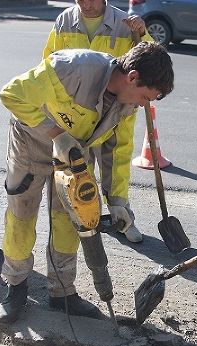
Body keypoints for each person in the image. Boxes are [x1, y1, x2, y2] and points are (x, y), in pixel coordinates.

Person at [0, 42, 174, 323]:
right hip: (32, 144)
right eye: (143, 97)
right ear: (133, 77)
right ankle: (15, 286)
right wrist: (57, 135)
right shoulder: (72, 69)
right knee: (22, 216)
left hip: (75, 154)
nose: (143, 104)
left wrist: (117, 202)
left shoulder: (127, 104)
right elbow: (12, 95)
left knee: (72, 220)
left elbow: (117, 150)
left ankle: (62, 292)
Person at [41, 0, 154, 244]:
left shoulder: (125, 24)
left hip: (118, 107)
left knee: (117, 162)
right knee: (80, 164)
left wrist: (142, 34)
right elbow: (48, 63)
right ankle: (89, 217)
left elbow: (153, 63)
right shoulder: (64, 21)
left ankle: (122, 216)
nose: (86, 4)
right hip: (79, 109)